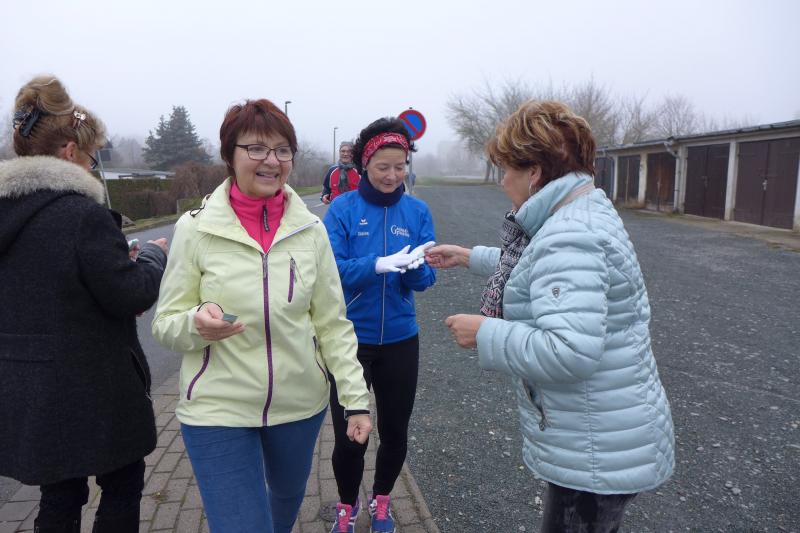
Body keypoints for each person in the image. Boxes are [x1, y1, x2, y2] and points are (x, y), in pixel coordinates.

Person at [426, 101, 675, 533]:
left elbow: (569, 351)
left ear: (535, 173)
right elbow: (538, 268)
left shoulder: (570, 235)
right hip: (602, 434)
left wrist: (486, 333)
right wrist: (469, 256)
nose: (503, 181)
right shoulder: (581, 211)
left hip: (595, 449)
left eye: (506, 169)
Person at [151, 98, 372, 533]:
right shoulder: (195, 229)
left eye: (282, 150)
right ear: (230, 155)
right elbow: (165, 323)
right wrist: (195, 324)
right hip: (217, 408)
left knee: (286, 500)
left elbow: (332, 324)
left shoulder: (311, 231)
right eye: (256, 148)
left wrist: (355, 400)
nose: (271, 161)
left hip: (298, 405)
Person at [0, 75, 168, 533]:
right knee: (121, 485)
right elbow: (131, 293)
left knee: (59, 493)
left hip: (29, 389)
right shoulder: (80, 215)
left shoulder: (10, 212)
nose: (93, 168)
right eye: (94, 157)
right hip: (94, 387)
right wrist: (152, 258)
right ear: (71, 152)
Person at [323, 117, 437, 533]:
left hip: (402, 339)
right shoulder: (343, 209)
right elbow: (330, 271)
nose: (392, 175)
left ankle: (383, 499)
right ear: (365, 165)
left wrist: (416, 269)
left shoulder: (417, 211)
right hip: (350, 341)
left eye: (400, 166)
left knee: (395, 430)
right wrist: (375, 265)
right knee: (350, 435)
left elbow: (426, 279)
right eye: (382, 166)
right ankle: (346, 505)